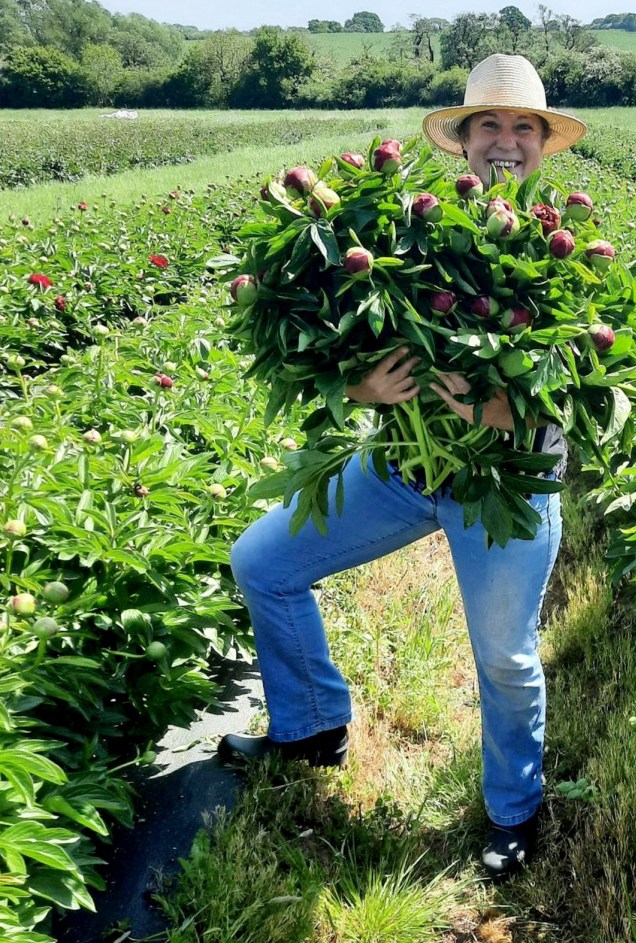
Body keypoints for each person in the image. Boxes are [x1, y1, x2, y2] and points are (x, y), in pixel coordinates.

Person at [219, 54, 588, 880]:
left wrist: (474, 406)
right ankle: (311, 725)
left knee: (503, 656)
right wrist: (361, 383)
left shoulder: (563, 251)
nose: (504, 140)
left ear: (541, 144)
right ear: (461, 142)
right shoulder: (407, 232)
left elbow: (559, 399)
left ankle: (514, 811)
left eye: (521, 126)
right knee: (262, 562)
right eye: (487, 124)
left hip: (504, 480)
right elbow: (332, 344)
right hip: (401, 469)